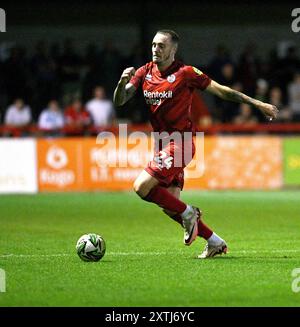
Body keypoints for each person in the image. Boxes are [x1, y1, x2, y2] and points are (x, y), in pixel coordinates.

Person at [113, 30, 278, 258]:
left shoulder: (186, 73)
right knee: (170, 206)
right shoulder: (144, 72)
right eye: (153, 45)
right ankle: (214, 241)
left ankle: (190, 212)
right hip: (161, 145)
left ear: (173, 50)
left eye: (161, 46)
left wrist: (257, 103)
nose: (155, 49)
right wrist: (121, 84)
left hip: (181, 143)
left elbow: (222, 91)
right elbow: (120, 100)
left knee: (141, 187)